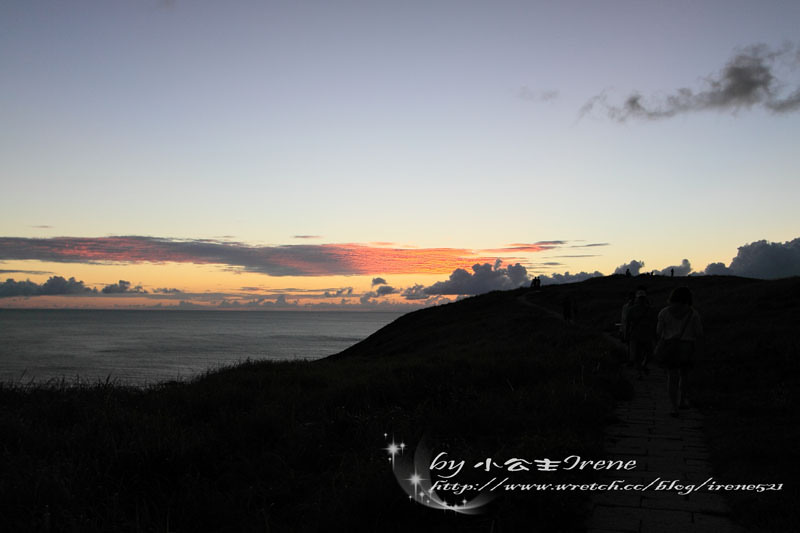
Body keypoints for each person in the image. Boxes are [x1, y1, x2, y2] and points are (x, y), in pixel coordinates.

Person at [657, 287, 703, 417]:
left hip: (670, 346)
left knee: (672, 377)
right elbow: (699, 333)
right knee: (684, 375)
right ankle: (682, 400)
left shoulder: (664, 313)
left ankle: (673, 407)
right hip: (687, 347)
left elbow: (658, 332)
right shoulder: (693, 313)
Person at [625, 289, 657, 378]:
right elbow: (627, 322)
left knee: (649, 354)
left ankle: (643, 366)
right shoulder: (632, 310)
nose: (641, 300)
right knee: (637, 355)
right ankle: (640, 372)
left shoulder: (650, 310)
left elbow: (654, 322)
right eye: (640, 298)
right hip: (636, 335)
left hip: (646, 335)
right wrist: (626, 333)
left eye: (642, 298)